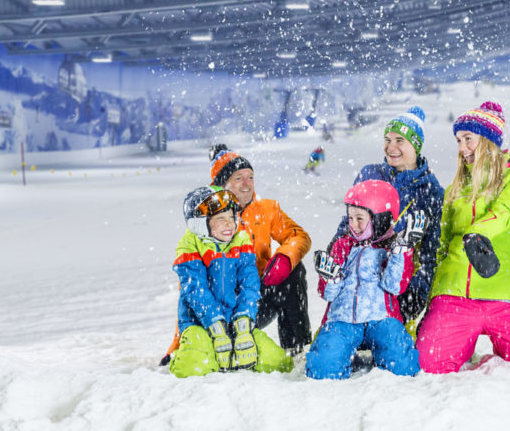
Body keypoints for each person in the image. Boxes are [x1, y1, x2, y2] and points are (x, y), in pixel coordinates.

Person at [416, 101, 510, 374]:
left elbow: (505, 212)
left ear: (489, 140)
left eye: (468, 138)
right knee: (428, 366)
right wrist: (432, 299)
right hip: (455, 293)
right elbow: (443, 246)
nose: (461, 148)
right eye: (458, 140)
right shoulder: (455, 189)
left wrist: (477, 235)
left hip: (507, 292)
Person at [330, 106, 444, 326]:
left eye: (399, 140)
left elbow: (431, 252)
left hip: (399, 281)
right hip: (358, 279)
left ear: (415, 145)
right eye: (387, 139)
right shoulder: (369, 174)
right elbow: (347, 226)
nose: (391, 147)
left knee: (391, 349)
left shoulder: (430, 190)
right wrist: (334, 262)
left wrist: (417, 293)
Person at [169, 186, 291, 378]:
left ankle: (228, 355)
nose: (229, 224)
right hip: (200, 323)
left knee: (278, 363)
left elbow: (249, 286)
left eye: (232, 217)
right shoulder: (189, 245)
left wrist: (243, 324)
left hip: (235, 322)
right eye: (220, 219)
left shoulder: (241, 241)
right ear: (200, 224)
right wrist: (216, 329)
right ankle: (191, 354)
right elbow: (196, 290)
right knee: (192, 368)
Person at [307, 180, 423, 380]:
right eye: (350, 217)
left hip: (382, 318)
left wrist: (400, 252)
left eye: (360, 218)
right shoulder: (342, 245)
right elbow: (328, 294)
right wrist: (331, 280)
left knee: (403, 365)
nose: (353, 225)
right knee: (323, 367)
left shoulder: (393, 247)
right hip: (343, 319)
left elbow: (394, 286)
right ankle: (341, 353)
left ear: (380, 219)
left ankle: (383, 356)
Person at [210, 148, 313, 355]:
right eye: (238, 178)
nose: (246, 183)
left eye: (250, 177)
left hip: (258, 300)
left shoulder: (267, 209)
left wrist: (285, 257)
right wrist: (178, 342)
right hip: (224, 310)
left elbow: (299, 236)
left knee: (294, 270)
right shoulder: (210, 216)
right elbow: (191, 282)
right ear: (223, 185)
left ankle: (298, 347)